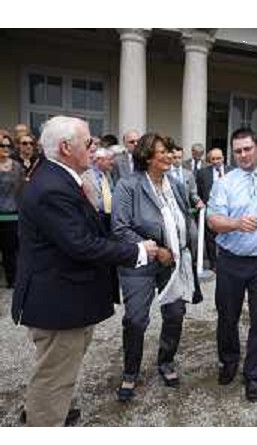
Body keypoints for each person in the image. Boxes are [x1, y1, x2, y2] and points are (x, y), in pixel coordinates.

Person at [11, 116, 157, 426]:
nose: (95, 148)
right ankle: (44, 422)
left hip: (63, 297)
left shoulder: (57, 177)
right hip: (58, 302)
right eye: (88, 142)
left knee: (57, 370)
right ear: (66, 147)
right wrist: (137, 251)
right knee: (54, 376)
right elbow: (81, 245)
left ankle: (55, 410)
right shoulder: (52, 186)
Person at [112, 133, 199, 402]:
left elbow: (184, 218)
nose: (169, 156)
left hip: (173, 261)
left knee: (175, 313)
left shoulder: (176, 184)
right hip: (140, 262)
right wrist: (155, 249)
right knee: (136, 319)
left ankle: (166, 361)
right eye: (162, 151)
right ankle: (130, 372)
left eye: (169, 151)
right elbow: (120, 228)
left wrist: (189, 246)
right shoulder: (128, 185)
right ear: (147, 156)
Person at [207, 128, 257, 402]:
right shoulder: (224, 183)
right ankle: (229, 361)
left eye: (247, 149)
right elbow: (213, 221)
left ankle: (253, 375)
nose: (243, 155)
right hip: (230, 261)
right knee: (227, 317)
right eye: (238, 150)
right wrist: (236, 223)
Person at [197, 147, 232, 270]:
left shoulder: (232, 171)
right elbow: (198, 192)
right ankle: (214, 264)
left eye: (219, 158)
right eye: (213, 159)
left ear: (223, 158)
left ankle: (227, 262)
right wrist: (199, 201)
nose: (216, 161)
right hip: (211, 211)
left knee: (228, 236)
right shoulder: (202, 173)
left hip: (229, 211)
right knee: (211, 238)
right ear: (209, 160)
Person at [0, 133, 25, 288]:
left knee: (10, 252)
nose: (6, 148)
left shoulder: (17, 167)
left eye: (8, 145)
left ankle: (12, 281)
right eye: (2, 146)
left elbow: (22, 190)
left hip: (12, 215)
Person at [82, 147, 115, 231]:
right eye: (109, 159)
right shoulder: (85, 174)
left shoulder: (107, 174)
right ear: (99, 160)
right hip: (94, 216)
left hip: (108, 215)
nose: (112, 162)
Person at [170, 145, 203, 212]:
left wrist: (198, 201)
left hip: (185, 209)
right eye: (174, 157)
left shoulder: (188, 174)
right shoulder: (164, 173)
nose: (177, 160)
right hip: (170, 209)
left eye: (179, 158)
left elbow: (193, 193)